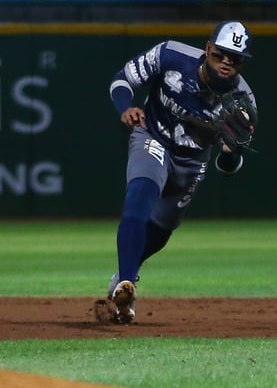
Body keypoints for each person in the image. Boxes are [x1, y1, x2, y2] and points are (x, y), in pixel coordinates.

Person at [105, 21, 257, 323]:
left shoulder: (243, 101)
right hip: (153, 135)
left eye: (235, 58)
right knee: (140, 194)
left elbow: (229, 167)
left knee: (161, 230)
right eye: (222, 54)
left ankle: (124, 274)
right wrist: (125, 106)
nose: (227, 61)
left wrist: (230, 153)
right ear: (209, 48)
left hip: (192, 160)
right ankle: (127, 283)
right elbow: (122, 79)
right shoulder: (171, 55)